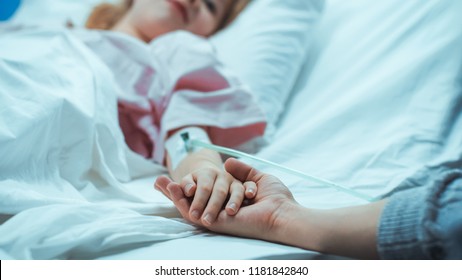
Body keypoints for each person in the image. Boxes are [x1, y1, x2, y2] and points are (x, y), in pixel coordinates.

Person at [81, 0, 264, 225]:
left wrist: (204, 169)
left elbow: (186, 133)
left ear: (213, 30)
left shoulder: (179, 48)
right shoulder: (57, 37)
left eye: (210, 5)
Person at [155, 158, 462, 260]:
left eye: (212, 6)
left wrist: (281, 218)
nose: (197, 3)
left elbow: (189, 140)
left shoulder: (185, 51)